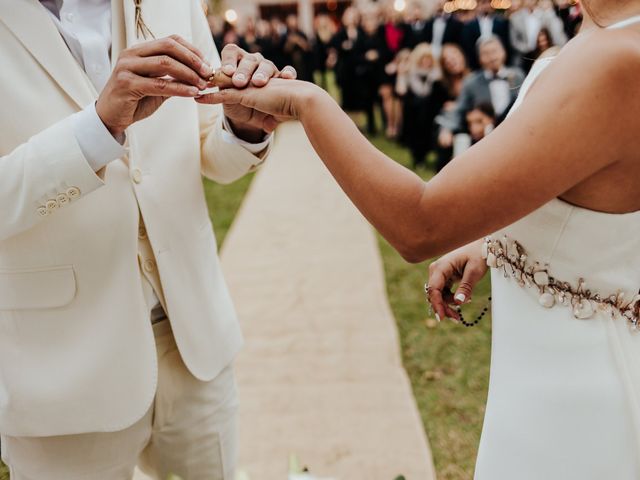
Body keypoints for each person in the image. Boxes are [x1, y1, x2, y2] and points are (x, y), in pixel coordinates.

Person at [201, 0, 640, 477]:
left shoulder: (618, 59)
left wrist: (305, 102)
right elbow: (595, 192)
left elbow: (419, 224)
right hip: (535, 369)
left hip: (576, 394)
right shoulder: (601, 32)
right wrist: (499, 241)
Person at [0, 1, 296, 478]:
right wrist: (96, 130)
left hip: (194, 337)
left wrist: (240, 126)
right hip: (59, 370)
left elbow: (205, 147)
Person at [438, 36, 525, 153]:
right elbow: (459, 109)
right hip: (484, 138)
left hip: (515, 131)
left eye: (494, 51)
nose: (491, 57)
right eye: (486, 53)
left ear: (503, 52)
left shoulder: (517, 76)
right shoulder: (472, 82)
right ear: (480, 58)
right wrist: (446, 129)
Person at [396, 43, 448, 167]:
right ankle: (418, 158)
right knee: (415, 135)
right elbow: (401, 91)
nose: (426, 62)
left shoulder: (437, 75)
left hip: (430, 113)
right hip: (413, 113)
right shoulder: (410, 73)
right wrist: (401, 74)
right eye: (423, 59)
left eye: (428, 59)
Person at [434, 43, 470, 171]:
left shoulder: (475, 79)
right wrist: (446, 128)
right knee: (444, 140)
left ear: (462, 56)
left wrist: (457, 106)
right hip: (446, 123)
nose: (451, 61)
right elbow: (438, 111)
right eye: (446, 59)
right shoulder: (439, 84)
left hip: (469, 123)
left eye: (454, 55)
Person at [510, 0, 567, 67]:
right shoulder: (515, 17)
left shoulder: (544, 14)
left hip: (543, 53)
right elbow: (514, 42)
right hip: (524, 57)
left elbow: (555, 34)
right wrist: (528, 49)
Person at [462, 0, 512, 69]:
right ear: (478, 5)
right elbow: (468, 46)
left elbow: (506, 43)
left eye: (488, 3)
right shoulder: (470, 25)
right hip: (477, 65)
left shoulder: (501, 22)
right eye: (483, 3)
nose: (486, 6)